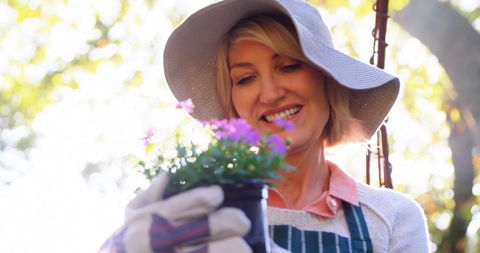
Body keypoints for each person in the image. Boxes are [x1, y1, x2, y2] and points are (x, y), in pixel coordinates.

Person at [101, 0, 430, 252]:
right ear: (234, 104)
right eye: (245, 78)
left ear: (327, 82)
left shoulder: (392, 219)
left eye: (288, 66)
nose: (270, 93)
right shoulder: (201, 208)